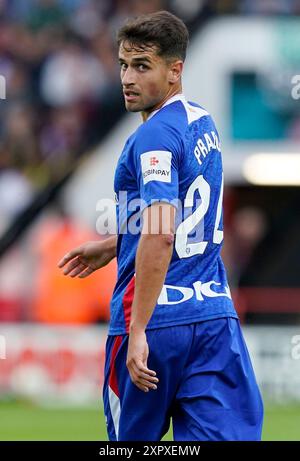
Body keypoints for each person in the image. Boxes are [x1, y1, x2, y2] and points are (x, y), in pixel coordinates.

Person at [58, 10, 264, 441]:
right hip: (212, 318)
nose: (127, 78)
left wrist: (137, 331)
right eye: (122, 65)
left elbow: (162, 232)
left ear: (175, 70)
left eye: (141, 66)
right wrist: (119, 242)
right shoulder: (201, 122)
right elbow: (186, 216)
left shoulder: (153, 138)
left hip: (153, 323)